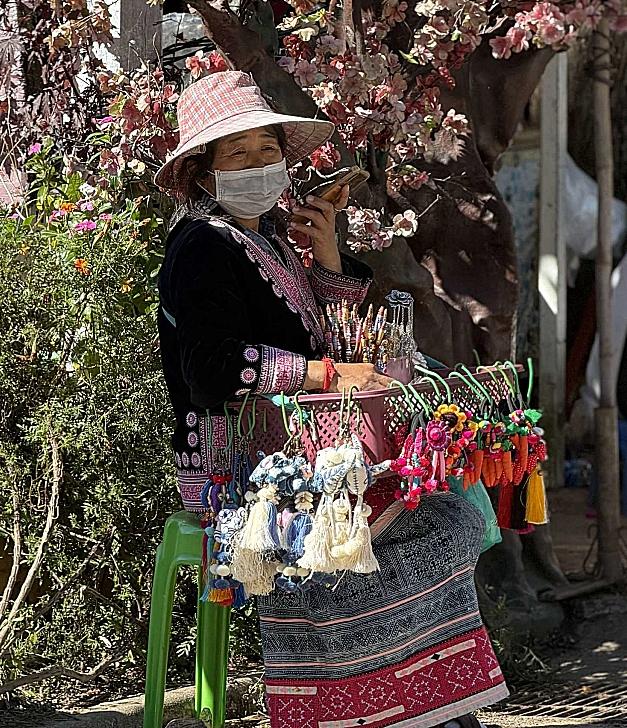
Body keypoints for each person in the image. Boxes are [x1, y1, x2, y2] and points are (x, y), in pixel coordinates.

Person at [156, 71, 507, 728]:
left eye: (268, 151)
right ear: (204, 174)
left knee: (443, 507)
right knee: (398, 533)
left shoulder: (271, 242)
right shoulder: (200, 249)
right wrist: (319, 374)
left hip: (305, 447)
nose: (260, 166)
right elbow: (211, 368)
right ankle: (386, 708)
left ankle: (426, 703)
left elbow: (323, 340)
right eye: (239, 155)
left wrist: (326, 260)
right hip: (244, 470)